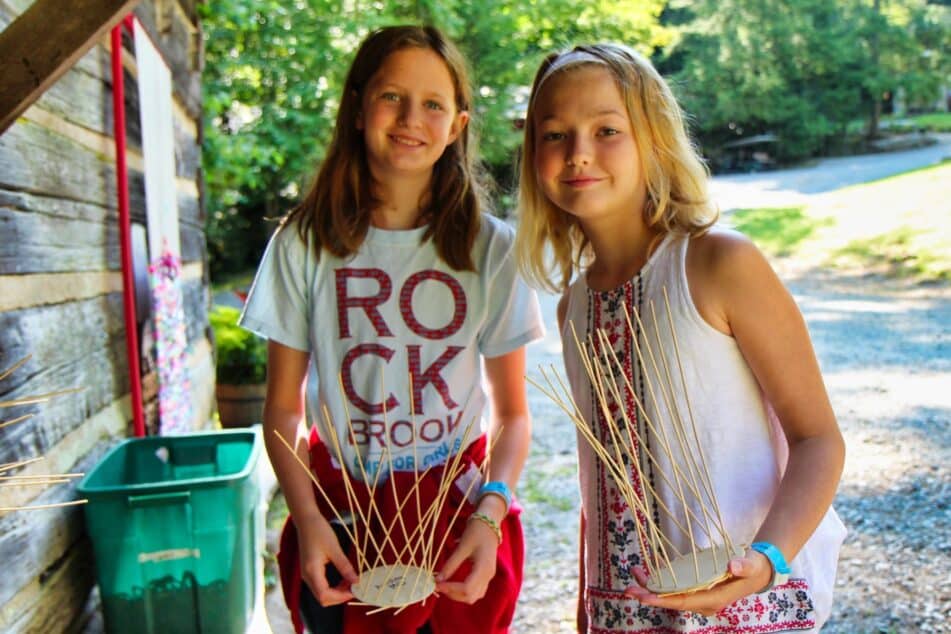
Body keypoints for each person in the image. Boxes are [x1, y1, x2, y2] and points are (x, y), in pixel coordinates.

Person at [514, 43, 846, 633]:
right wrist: (587, 613)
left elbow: (818, 439)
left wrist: (766, 562)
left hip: (745, 606)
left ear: (654, 139)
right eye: (554, 134)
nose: (578, 152)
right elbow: (608, 481)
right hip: (627, 614)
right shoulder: (574, 308)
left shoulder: (720, 264)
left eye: (607, 129)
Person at [240, 25, 544, 634]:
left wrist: (490, 515)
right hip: (342, 517)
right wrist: (309, 520)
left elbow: (513, 416)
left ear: (457, 125)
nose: (411, 117)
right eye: (391, 97)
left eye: (433, 103)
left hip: (455, 518)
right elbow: (282, 411)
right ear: (357, 108)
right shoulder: (302, 244)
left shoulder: (494, 251)